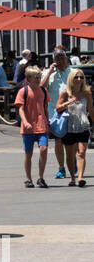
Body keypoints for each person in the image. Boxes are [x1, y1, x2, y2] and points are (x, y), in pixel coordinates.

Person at [56, 67, 94, 186]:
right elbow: (57, 108)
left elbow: (91, 109)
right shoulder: (65, 93)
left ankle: (80, 177)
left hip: (83, 126)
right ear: (71, 79)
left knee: (81, 153)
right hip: (69, 127)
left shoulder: (87, 93)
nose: (79, 79)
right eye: (76, 77)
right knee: (70, 155)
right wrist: (68, 102)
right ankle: (72, 177)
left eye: (81, 77)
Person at [13, 65, 50, 188]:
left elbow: (45, 108)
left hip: (42, 125)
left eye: (39, 77)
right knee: (28, 153)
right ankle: (28, 178)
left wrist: (48, 122)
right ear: (28, 79)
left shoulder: (43, 91)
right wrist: (25, 122)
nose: (38, 80)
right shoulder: (23, 91)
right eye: (35, 78)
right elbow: (21, 109)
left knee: (44, 149)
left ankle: (41, 177)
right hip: (28, 127)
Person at [43, 48, 71, 177]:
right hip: (55, 112)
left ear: (66, 58)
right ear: (53, 60)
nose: (59, 60)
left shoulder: (73, 72)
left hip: (71, 110)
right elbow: (41, 88)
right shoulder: (49, 74)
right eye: (57, 58)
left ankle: (72, 162)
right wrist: (49, 72)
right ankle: (61, 167)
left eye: (62, 57)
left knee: (71, 142)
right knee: (58, 140)